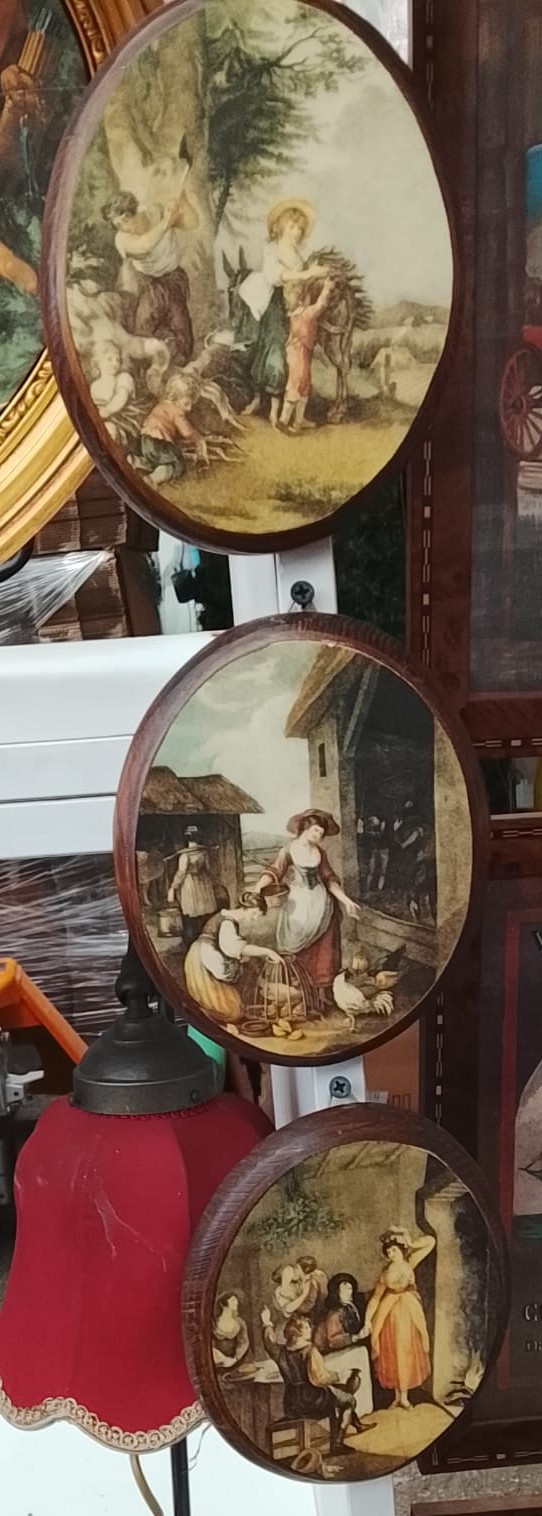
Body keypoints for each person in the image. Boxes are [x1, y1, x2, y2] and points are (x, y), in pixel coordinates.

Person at [238, 199, 328, 428]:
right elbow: (274, 275)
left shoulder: (297, 252)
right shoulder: (272, 249)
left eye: (300, 228)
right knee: (275, 351)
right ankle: (270, 407)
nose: (296, 232)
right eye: (292, 226)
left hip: (295, 304)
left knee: (297, 354)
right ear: (280, 227)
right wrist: (307, 275)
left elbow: (302, 280)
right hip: (276, 303)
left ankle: (293, 409)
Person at [257, 810, 361, 1005]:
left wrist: (346, 900)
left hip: (321, 902)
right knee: (294, 942)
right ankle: (300, 990)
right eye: (316, 830)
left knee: (325, 947)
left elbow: (329, 879)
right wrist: (258, 888)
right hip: (299, 901)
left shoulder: (320, 853)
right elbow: (275, 870)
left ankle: (322, 992)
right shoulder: (289, 849)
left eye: (321, 832)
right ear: (305, 828)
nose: (319, 835)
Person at [102, 188, 198, 367]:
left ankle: (177, 371)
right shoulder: (122, 239)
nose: (124, 227)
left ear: (133, 211)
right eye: (118, 225)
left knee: (183, 336)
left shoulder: (156, 212)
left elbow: (193, 223)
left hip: (174, 282)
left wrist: (183, 204)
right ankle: (150, 369)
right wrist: (167, 222)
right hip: (150, 286)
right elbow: (144, 245)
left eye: (125, 220)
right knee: (143, 329)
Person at [184, 891, 295, 1028]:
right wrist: (267, 951)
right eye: (254, 914)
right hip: (203, 961)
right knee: (231, 1012)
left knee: (235, 1007)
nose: (254, 919)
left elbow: (229, 949)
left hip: (206, 957)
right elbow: (232, 949)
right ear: (246, 908)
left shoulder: (227, 917)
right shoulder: (227, 922)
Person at [261, 1309, 360, 1453]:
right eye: (306, 1327)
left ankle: (356, 1425)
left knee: (337, 1394)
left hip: (292, 1403)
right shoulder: (310, 1351)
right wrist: (340, 1375)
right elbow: (319, 1378)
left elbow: (269, 1343)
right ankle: (337, 1444)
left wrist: (266, 1323)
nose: (310, 1329)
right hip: (313, 1401)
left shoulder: (281, 1352)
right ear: (298, 1332)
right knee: (349, 1400)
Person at [361, 1227, 435, 1410]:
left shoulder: (410, 1262)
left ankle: (405, 1396)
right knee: (392, 1352)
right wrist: (367, 1320)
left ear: (401, 1249)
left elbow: (431, 1242)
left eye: (394, 1250)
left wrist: (410, 1241)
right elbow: (376, 1298)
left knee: (406, 1350)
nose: (391, 1254)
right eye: (388, 1252)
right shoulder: (385, 1273)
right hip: (390, 1312)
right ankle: (397, 1397)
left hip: (409, 1311)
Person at [280, 277, 334, 432]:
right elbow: (321, 305)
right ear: (302, 300)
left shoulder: (294, 314)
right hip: (298, 352)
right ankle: (284, 420)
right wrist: (327, 287)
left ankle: (299, 421)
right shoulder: (306, 313)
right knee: (296, 384)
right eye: (307, 296)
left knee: (304, 385)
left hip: (300, 352)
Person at [167, 827, 218, 946]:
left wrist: (173, 887)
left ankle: (191, 943)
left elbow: (181, 873)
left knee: (190, 914)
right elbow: (208, 868)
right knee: (202, 913)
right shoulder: (203, 853)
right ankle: (203, 941)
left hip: (190, 884)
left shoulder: (185, 855)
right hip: (203, 883)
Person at [90, 342, 141, 448]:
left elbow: (121, 398)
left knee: (110, 430)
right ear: (97, 362)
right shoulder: (95, 386)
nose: (115, 363)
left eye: (117, 359)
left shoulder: (124, 378)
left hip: (125, 423)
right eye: (109, 359)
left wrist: (106, 411)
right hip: (103, 421)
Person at [314, 1273, 365, 1354]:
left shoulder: (354, 1306)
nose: (348, 1292)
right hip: (334, 1353)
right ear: (337, 1291)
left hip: (350, 1348)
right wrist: (354, 1338)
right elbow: (333, 1341)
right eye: (344, 1289)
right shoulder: (334, 1314)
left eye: (349, 1288)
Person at [212, 1292, 250, 1370]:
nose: (236, 1302)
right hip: (217, 1361)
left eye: (236, 1300)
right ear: (223, 1303)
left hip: (236, 1362)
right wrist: (220, 1358)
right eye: (233, 1300)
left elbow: (243, 1342)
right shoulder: (213, 1322)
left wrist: (235, 1359)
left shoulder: (240, 1323)